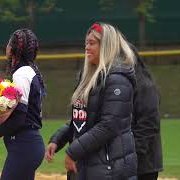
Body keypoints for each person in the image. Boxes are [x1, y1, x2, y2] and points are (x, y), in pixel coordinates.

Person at [45, 22, 138, 180]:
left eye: (92, 43)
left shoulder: (117, 80)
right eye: (86, 43)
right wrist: (58, 139)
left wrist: (72, 151)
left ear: (106, 46)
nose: (87, 47)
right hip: (87, 164)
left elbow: (109, 125)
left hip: (109, 168)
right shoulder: (88, 78)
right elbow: (82, 118)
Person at [0, 29, 46, 180]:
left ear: (12, 48)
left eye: (8, 43)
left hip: (25, 146)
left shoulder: (22, 74)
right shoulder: (28, 71)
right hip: (26, 145)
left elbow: (19, 118)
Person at [131, 45, 163, 180]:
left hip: (144, 165)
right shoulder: (126, 83)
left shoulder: (144, 85)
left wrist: (132, 155)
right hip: (131, 162)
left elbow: (149, 126)